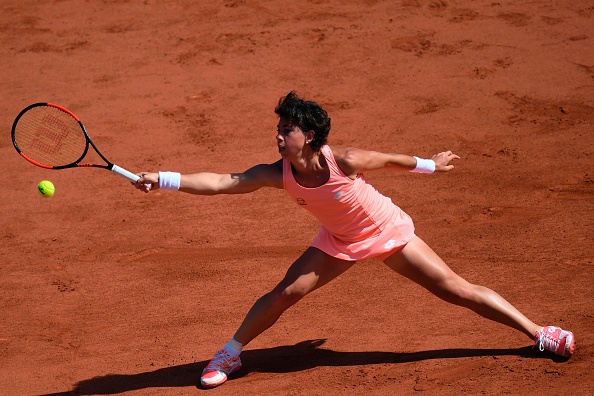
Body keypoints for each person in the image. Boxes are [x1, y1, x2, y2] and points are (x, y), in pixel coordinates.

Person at [134, 91, 575, 389]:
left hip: (386, 229)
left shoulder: (344, 159)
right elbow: (221, 181)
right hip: (339, 240)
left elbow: (389, 160)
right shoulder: (276, 173)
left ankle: (539, 333)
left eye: (286, 129)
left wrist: (430, 165)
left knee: (456, 289)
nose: (278, 135)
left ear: (308, 136)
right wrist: (164, 179)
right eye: (279, 127)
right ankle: (230, 354)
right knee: (285, 292)